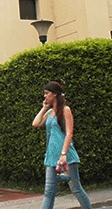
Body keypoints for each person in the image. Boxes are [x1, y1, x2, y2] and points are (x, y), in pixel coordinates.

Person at [32, 81, 91, 209]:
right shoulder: (49, 113)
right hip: (52, 157)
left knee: (76, 189)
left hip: (66, 156)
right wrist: (44, 108)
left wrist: (63, 154)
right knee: (49, 192)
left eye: (47, 93)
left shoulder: (65, 110)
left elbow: (69, 133)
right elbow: (35, 124)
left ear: (54, 94)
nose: (45, 96)